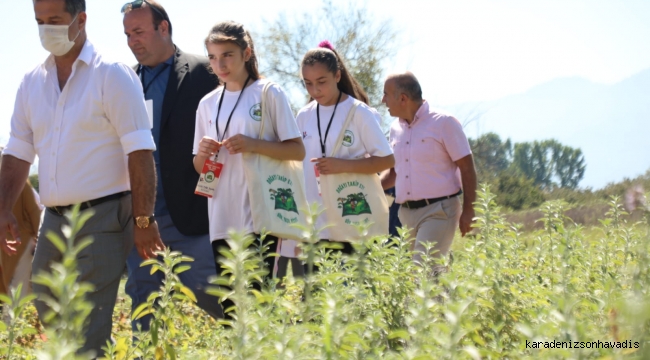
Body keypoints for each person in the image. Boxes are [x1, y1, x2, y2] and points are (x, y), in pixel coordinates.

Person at [0, 0, 162, 356]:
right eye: (39, 21)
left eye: (55, 20)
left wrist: (143, 219)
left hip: (103, 215)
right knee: (46, 299)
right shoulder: (31, 82)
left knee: (90, 321)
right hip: (54, 221)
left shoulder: (112, 74)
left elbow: (139, 150)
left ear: (81, 19)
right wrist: (3, 209)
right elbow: (17, 152)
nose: (46, 29)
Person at [121, 0, 223, 331]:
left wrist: (209, 197)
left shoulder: (203, 72)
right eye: (127, 34)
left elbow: (220, 138)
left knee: (223, 303)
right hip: (143, 220)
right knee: (144, 313)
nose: (132, 41)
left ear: (163, 28)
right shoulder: (125, 82)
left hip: (193, 217)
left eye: (138, 31)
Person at [193, 21, 304, 316]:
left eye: (227, 54)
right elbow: (199, 166)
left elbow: (297, 149)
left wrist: (253, 144)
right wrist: (202, 153)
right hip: (220, 216)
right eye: (213, 57)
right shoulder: (207, 103)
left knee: (258, 298)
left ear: (247, 53)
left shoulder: (268, 92)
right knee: (230, 305)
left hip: (260, 212)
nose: (220, 64)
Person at [297, 41, 394, 268]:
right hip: (316, 224)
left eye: (322, 82)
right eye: (308, 84)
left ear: (337, 76)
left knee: (356, 296)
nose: (315, 90)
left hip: (353, 220)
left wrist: (342, 165)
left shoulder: (359, 112)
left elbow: (388, 160)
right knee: (316, 299)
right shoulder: (303, 116)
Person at [380, 72, 477, 275]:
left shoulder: (444, 123)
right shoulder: (395, 129)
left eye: (386, 94)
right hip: (405, 215)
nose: (383, 100)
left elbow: (467, 167)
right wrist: (368, 188)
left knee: (423, 273)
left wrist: (469, 210)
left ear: (403, 98)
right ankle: (451, 305)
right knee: (428, 277)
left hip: (439, 211)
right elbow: (394, 173)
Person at [0, 148, 42, 307]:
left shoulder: (21, 184)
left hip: (21, 244)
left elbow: (34, 212)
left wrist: (38, 240)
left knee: (19, 288)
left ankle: (17, 325)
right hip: (5, 247)